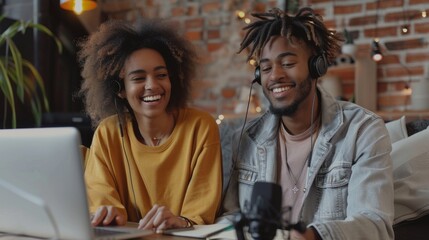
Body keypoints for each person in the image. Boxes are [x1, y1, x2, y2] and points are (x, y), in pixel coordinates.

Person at [220, 7, 394, 240]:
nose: (275, 76)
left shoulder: (362, 131)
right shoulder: (244, 139)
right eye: (266, 67)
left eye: (288, 63)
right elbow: (230, 216)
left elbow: (375, 225)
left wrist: (315, 236)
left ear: (317, 67)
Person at [77, 19, 222, 233]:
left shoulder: (201, 127)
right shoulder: (108, 133)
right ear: (120, 89)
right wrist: (109, 214)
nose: (152, 85)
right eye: (138, 78)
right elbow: (102, 203)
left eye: (161, 75)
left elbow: (199, 214)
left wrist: (181, 221)